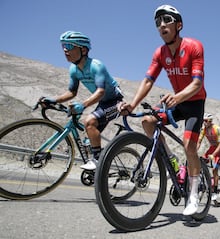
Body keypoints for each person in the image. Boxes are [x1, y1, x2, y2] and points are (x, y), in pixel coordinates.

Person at [118, 5, 206, 216]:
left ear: (179, 25)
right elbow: (148, 80)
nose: (162, 25)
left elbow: (196, 84)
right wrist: (132, 103)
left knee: (189, 146)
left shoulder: (194, 46)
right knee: (148, 121)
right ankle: (171, 159)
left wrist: (177, 97)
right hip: (176, 102)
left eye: (167, 20)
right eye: (158, 22)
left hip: (194, 103)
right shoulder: (160, 53)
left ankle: (193, 195)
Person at [41, 31, 123, 170]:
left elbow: (100, 91)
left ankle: (98, 161)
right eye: (63, 46)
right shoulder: (74, 69)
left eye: (69, 45)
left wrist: (83, 105)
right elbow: (72, 92)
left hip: (116, 102)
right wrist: (54, 100)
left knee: (89, 122)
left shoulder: (96, 65)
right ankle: (98, 172)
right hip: (103, 103)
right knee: (87, 141)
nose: (65, 50)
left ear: (83, 49)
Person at [197, 113, 220, 201]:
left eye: (205, 121)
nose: (204, 123)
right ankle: (204, 181)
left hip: (219, 149)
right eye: (203, 121)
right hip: (212, 148)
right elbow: (199, 141)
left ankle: (215, 191)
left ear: (210, 121)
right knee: (200, 162)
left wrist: (213, 155)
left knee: (214, 170)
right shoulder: (203, 130)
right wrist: (194, 151)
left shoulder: (217, 129)